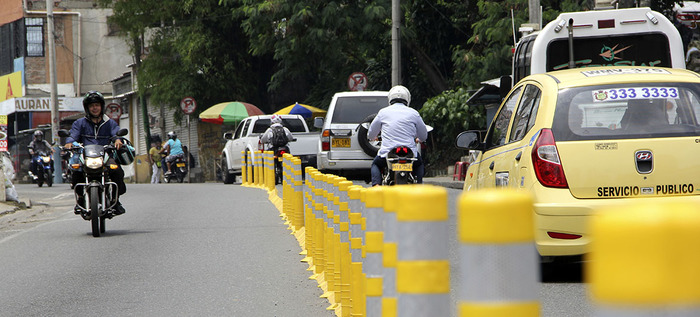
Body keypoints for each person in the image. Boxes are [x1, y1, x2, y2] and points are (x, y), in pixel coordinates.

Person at [64, 91, 126, 215]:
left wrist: (118, 140)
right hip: (85, 156)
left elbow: (115, 133)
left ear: (101, 106)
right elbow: (73, 136)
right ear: (87, 108)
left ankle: (115, 200)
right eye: (92, 105)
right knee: (75, 171)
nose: (94, 108)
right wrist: (69, 142)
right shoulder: (80, 123)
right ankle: (80, 200)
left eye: (97, 105)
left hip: (105, 155)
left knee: (117, 171)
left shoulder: (109, 122)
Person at [367, 85, 428, 186]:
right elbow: (423, 135)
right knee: (419, 164)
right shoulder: (414, 113)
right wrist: (419, 139)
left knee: (376, 164)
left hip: (388, 153)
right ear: (407, 99)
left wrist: (372, 137)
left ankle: (376, 186)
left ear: (390, 98)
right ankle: (419, 185)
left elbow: (371, 133)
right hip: (409, 153)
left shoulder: (383, 112)